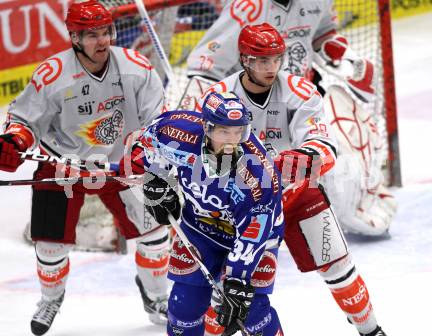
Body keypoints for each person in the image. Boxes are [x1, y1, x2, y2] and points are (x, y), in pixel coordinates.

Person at [196, 24, 388, 336]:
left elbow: (324, 146)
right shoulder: (217, 97)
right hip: (244, 207)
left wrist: (300, 159)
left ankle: (371, 330)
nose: (270, 67)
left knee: (340, 270)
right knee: (234, 291)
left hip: (298, 195)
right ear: (244, 59)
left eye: (275, 59)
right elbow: (199, 152)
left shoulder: (300, 91)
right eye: (261, 61)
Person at [0, 1, 169, 334]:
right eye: (91, 35)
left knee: (156, 234)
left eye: (106, 31)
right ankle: (50, 298)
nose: (102, 41)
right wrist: (14, 140)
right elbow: (22, 120)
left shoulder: (136, 67)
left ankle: (157, 297)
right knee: (50, 246)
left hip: (122, 163)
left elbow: (159, 120)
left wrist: (145, 150)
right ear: (74, 37)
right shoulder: (53, 75)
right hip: (63, 165)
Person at [186, 0, 396, 237]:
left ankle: (352, 201)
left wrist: (344, 58)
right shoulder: (247, 8)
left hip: (300, 103)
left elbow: (321, 33)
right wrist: (195, 120)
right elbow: (204, 71)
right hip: (250, 113)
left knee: (341, 153)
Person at [123, 91, 285, 335]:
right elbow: (144, 144)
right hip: (200, 229)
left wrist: (236, 282)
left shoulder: (258, 174)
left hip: (256, 238)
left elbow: (254, 234)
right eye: (224, 131)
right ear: (206, 128)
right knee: (184, 306)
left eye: (238, 131)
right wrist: (155, 179)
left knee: (252, 312)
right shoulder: (177, 132)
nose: (232, 140)